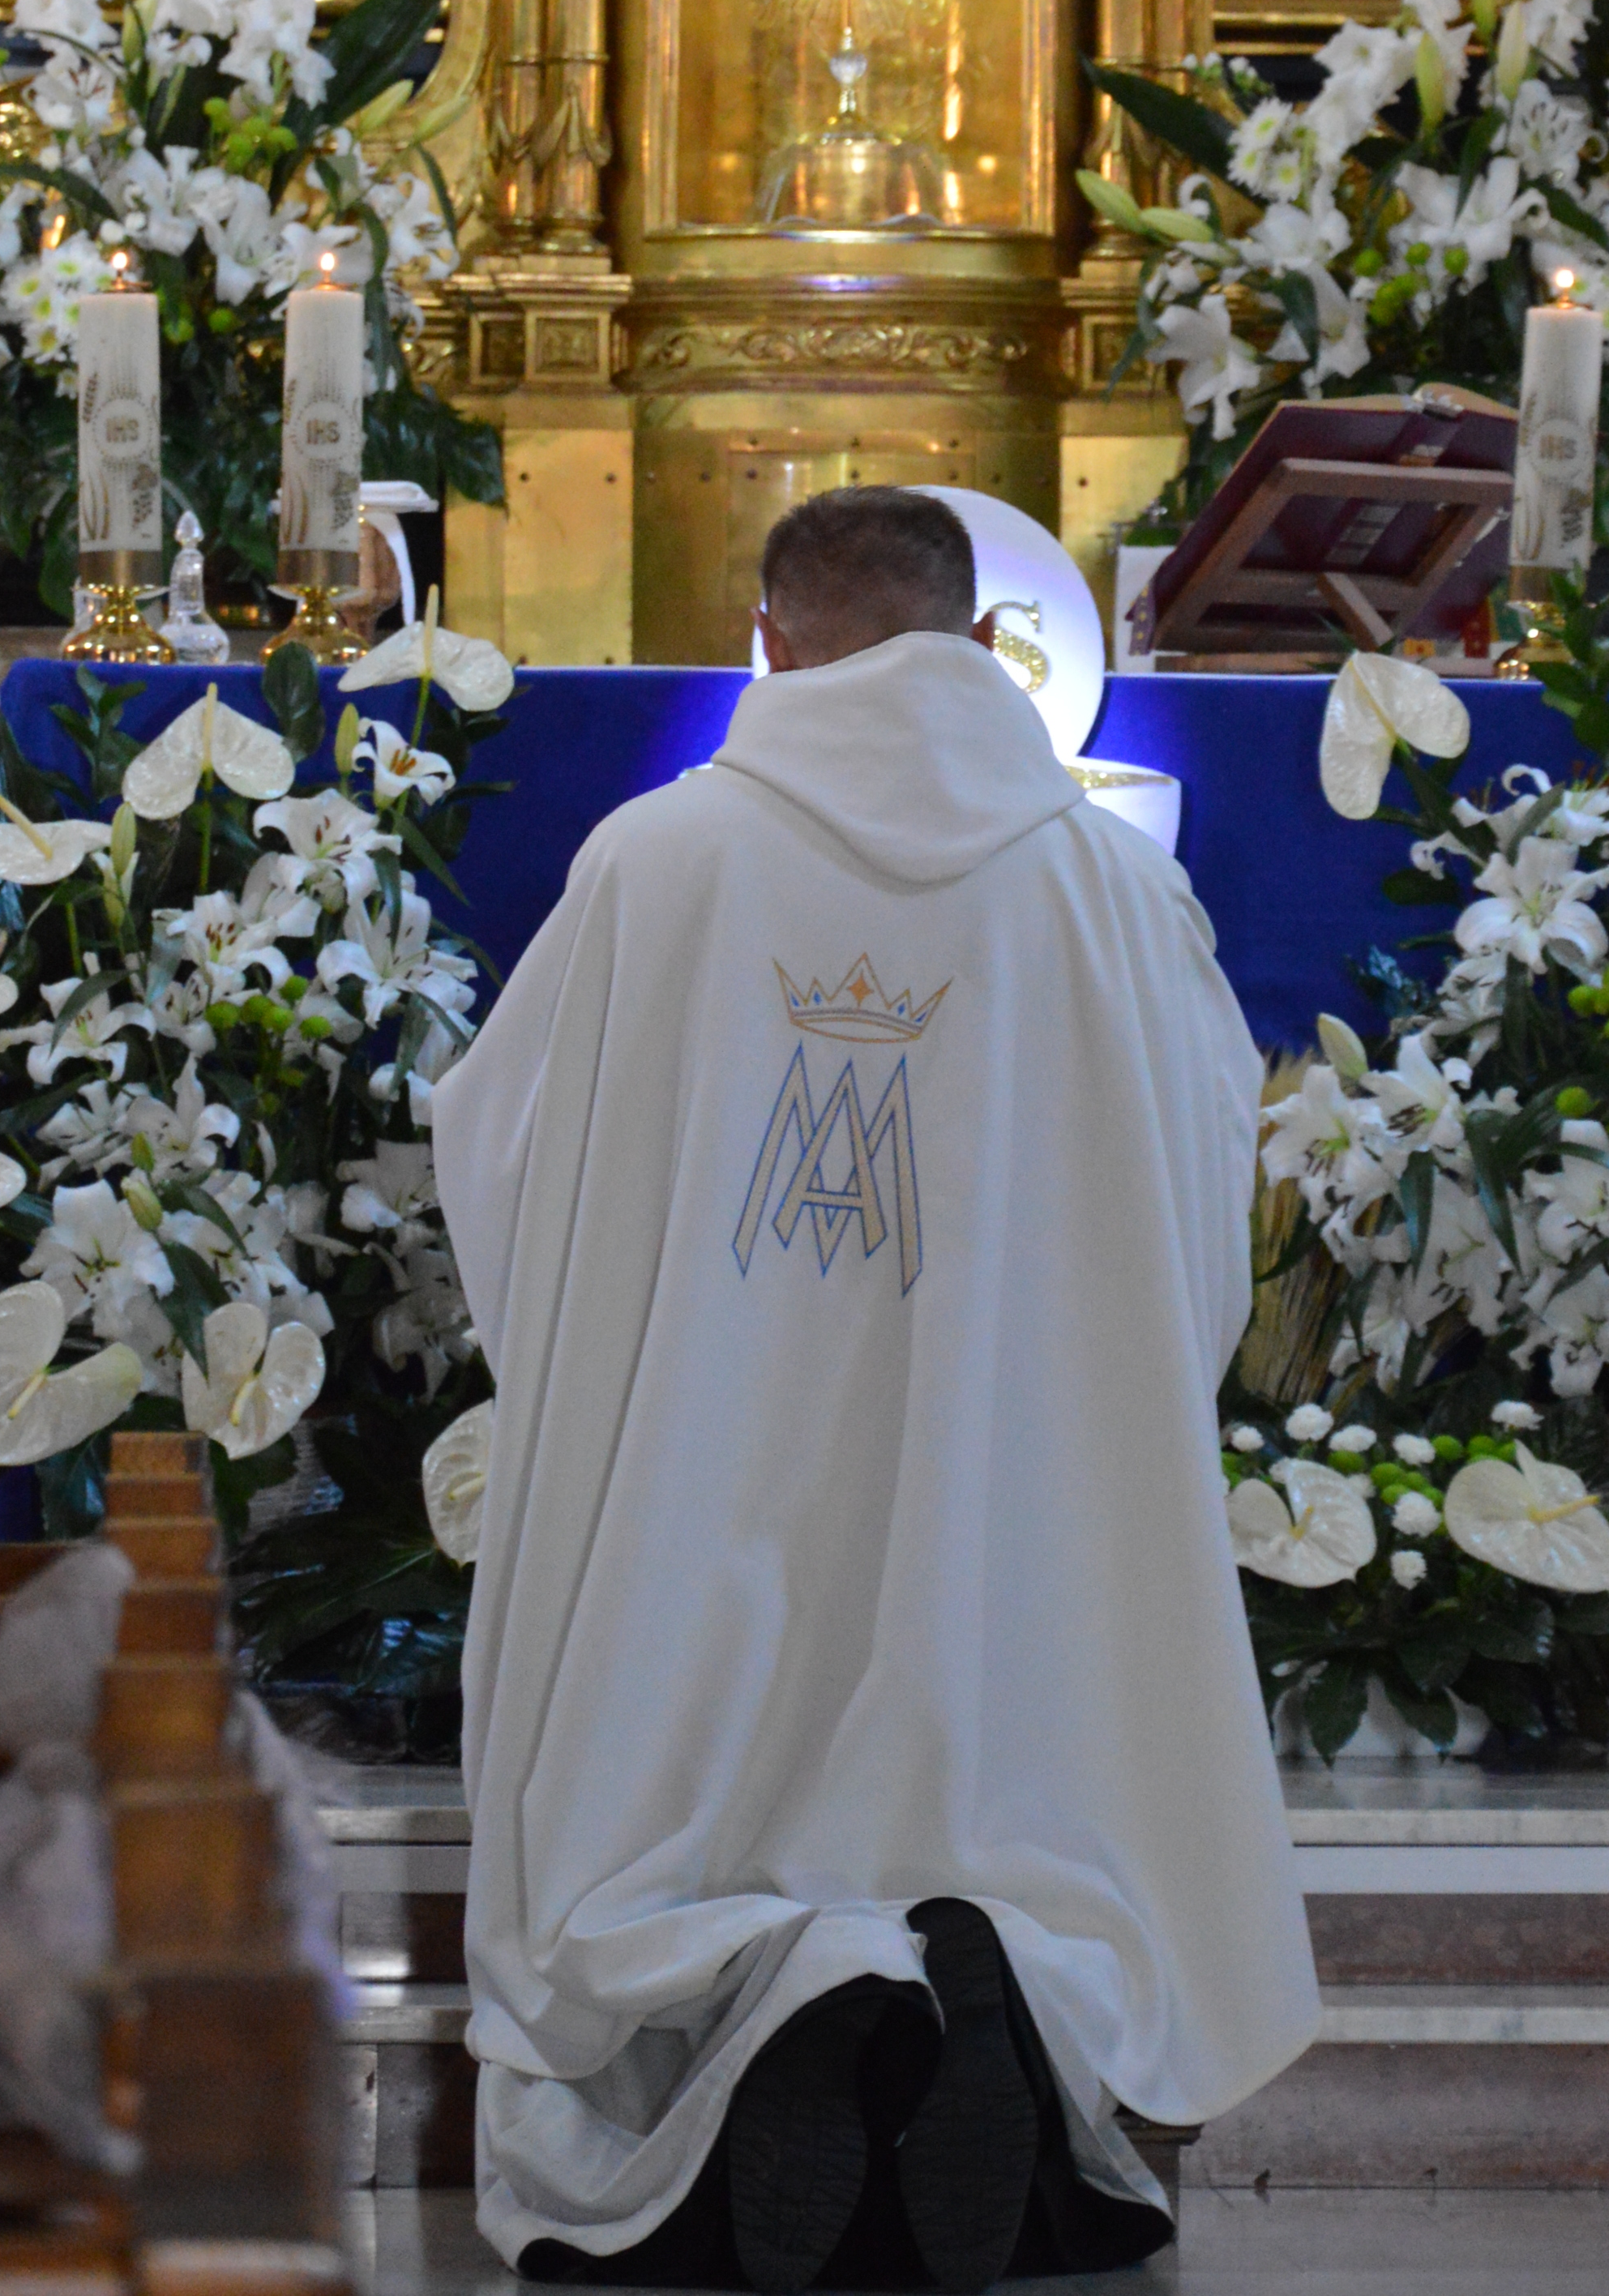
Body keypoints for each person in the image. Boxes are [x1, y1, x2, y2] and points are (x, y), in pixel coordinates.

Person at [432, 485, 1316, 2293]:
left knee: (675, 1747)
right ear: (984, 643)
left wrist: (637, 1359)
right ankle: (995, 1978)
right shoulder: (1109, 885)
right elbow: (1205, 1183)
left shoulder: (655, 861)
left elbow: (506, 1156)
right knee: (1020, 1730)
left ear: (767, 642)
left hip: (708, 1471)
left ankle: (776, 1981)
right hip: (1014, 1485)